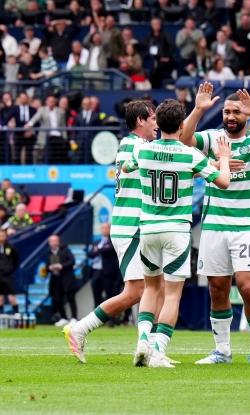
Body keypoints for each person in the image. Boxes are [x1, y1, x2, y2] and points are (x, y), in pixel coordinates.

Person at [179, 85, 250, 367]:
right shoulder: (212, 138)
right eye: (226, 111)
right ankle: (222, 351)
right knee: (217, 288)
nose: (230, 116)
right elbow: (184, 139)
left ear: (246, 115)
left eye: (236, 111)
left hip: (245, 225)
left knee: (247, 287)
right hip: (214, 225)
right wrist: (198, 109)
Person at [123, 99, 231, 369]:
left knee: (151, 288)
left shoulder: (144, 150)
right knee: (172, 294)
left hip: (148, 227)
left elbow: (125, 168)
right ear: (182, 125)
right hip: (176, 230)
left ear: (158, 123)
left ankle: (143, 341)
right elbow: (223, 182)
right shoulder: (190, 155)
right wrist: (224, 160)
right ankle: (158, 352)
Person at [63, 100, 159, 364]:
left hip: (138, 226)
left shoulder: (138, 145)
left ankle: (152, 348)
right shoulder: (133, 145)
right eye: (153, 118)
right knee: (136, 291)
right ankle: (80, 329)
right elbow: (153, 160)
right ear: (140, 120)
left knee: (153, 287)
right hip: (130, 227)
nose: (157, 124)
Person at [47, 234, 77, 327]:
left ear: (58, 241)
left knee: (70, 298)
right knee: (58, 299)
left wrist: (61, 266)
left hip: (67, 278)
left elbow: (72, 261)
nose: (53, 243)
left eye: (55, 241)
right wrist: (49, 268)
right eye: (51, 241)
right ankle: (63, 318)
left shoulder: (66, 250)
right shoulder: (49, 253)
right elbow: (47, 265)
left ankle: (74, 317)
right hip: (56, 279)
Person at [87, 223, 119, 309]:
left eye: (106, 228)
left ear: (110, 229)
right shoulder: (96, 241)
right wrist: (101, 249)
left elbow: (109, 250)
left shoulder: (113, 240)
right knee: (96, 293)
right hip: (96, 271)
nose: (104, 230)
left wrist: (98, 249)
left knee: (110, 294)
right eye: (102, 228)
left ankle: (110, 315)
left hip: (108, 272)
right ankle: (96, 313)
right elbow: (90, 254)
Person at [0, 229, 20, 314]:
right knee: (0, 296)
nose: (1, 237)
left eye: (3, 235)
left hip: (7, 276)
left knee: (11, 295)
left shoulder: (10, 247)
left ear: (6, 236)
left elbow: (16, 259)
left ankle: (16, 313)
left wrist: (10, 269)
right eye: (0, 236)